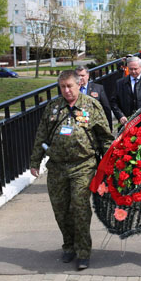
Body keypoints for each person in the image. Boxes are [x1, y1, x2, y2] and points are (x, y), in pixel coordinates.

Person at [30, 70, 113, 270]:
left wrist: (110, 165)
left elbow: (105, 136)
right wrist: (35, 162)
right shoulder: (53, 107)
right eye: (63, 87)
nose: (66, 91)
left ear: (79, 85)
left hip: (83, 165)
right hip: (57, 166)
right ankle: (69, 245)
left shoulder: (91, 106)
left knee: (79, 206)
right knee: (60, 209)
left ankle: (83, 251)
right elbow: (41, 135)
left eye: (70, 86)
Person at [75, 65, 113, 131]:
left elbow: (106, 108)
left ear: (88, 76)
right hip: (77, 127)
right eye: (78, 76)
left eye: (82, 75)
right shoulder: (72, 90)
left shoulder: (98, 88)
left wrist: (109, 127)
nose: (80, 78)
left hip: (95, 126)